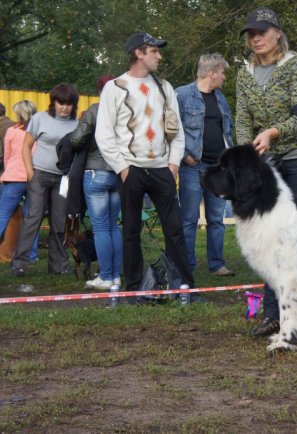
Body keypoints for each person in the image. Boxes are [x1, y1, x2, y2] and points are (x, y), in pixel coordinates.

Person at [236, 8, 297, 337]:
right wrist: (247, 153)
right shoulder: (244, 72)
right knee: (269, 238)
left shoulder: (296, 66)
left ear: (277, 33)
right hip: (267, 163)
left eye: (262, 31)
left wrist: (272, 132)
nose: (255, 38)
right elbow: (242, 116)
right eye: (250, 33)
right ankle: (273, 314)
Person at [95, 32, 194, 298]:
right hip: (131, 170)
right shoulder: (114, 87)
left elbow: (177, 131)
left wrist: (173, 164)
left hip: (162, 169)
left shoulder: (165, 87)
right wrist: (123, 168)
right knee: (130, 231)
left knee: (174, 229)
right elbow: (103, 134)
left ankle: (183, 286)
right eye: (154, 51)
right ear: (139, 53)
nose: (159, 56)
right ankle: (134, 288)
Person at [11, 84, 80, 276]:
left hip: (63, 180)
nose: (64, 107)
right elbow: (26, 146)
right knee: (33, 219)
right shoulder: (40, 118)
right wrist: (29, 172)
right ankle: (20, 264)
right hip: (39, 176)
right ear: (54, 102)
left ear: (73, 105)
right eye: (61, 103)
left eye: (68, 104)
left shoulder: (77, 123)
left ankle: (58, 266)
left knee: (58, 223)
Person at [176, 53, 235, 277]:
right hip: (193, 167)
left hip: (218, 168)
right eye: (222, 73)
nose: (223, 77)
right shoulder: (181, 95)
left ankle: (217, 264)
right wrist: (184, 156)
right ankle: (187, 267)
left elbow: (226, 132)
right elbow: (171, 129)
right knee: (189, 219)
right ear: (212, 73)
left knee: (217, 220)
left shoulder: (220, 99)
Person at [69, 74, 122, 290]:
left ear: (100, 91)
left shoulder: (94, 110)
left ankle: (106, 276)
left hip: (95, 173)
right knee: (114, 227)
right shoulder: (126, 111)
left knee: (100, 229)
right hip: (119, 173)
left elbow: (76, 139)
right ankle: (116, 276)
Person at [0, 100, 38, 255]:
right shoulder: (38, 132)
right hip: (33, 177)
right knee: (32, 218)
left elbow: (7, 158)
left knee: (2, 215)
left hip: (14, 178)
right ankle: (32, 254)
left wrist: (8, 173)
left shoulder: (12, 131)